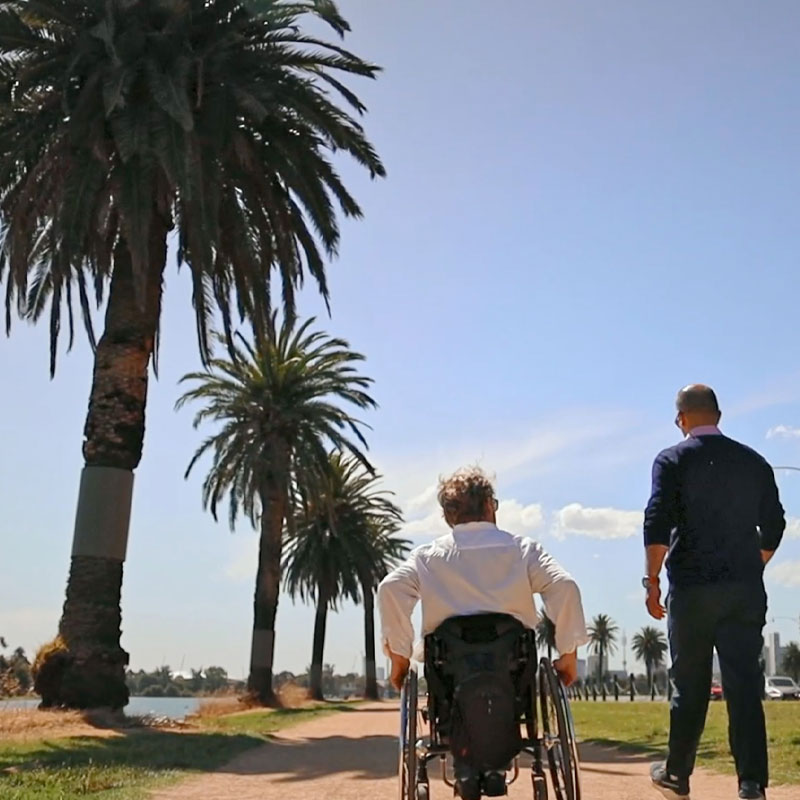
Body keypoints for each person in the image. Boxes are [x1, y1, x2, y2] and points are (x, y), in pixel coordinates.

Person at [378, 467, 588, 798]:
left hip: (447, 676)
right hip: (513, 676)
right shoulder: (522, 549)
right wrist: (568, 655)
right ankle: (493, 765)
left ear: (449, 516)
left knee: (450, 682)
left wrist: (399, 659)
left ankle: (469, 763)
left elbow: (390, 588)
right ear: (491, 506)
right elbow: (564, 585)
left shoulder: (428, 557)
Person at [643, 385, 785, 800]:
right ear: (719, 414)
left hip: (692, 587)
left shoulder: (671, 460)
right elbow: (775, 524)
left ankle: (677, 773)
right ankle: (752, 783)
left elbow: (657, 523)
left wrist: (651, 581)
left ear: (681, 419)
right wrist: (753, 562)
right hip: (743, 589)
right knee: (744, 684)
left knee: (689, 682)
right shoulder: (753, 462)